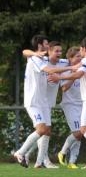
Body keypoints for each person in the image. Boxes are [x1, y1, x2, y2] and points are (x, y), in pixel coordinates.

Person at [12, 36, 75, 168]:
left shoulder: (53, 60)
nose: (48, 46)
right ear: (41, 45)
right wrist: (72, 68)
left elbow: (71, 61)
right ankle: (20, 152)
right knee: (41, 129)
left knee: (46, 131)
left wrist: (77, 64)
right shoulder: (35, 58)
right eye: (46, 44)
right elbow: (27, 53)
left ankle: (40, 162)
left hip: (44, 102)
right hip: (33, 101)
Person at [57, 47, 84, 169]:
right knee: (78, 132)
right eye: (77, 56)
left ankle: (72, 161)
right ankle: (62, 152)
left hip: (83, 104)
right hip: (70, 104)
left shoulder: (83, 70)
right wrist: (74, 75)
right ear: (70, 58)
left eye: (81, 56)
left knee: (80, 134)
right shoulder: (66, 72)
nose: (80, 58)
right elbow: (64, 88)